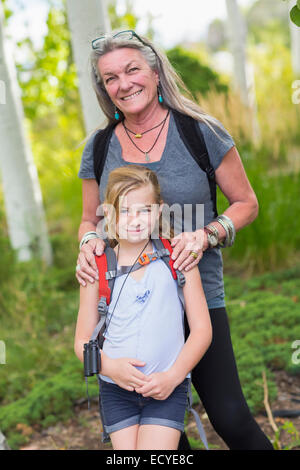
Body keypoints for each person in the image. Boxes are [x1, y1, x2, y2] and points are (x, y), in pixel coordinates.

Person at [75, 30, 274, 450]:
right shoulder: (99, 147)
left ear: (155, 71)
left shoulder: (201, 132)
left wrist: (206, 236)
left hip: (196, 295)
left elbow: (246, 203)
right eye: (110, 78)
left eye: (132, 70)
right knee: (157, 430)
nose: (123, 83)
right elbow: (89, 221)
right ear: (104, 89)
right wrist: (87, 245)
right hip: (128, 306)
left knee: (231, 416)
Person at [74, 165, 213, 450]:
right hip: (116, 390)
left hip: (167, 387)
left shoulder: (178, 258)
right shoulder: (96, 267)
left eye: (145, 210)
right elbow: (81, 342)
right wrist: (111, 367)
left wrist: (173, 377)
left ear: (159, 211)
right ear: (108, 214)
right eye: (125, 211)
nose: (135, 220)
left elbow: (202, 330)